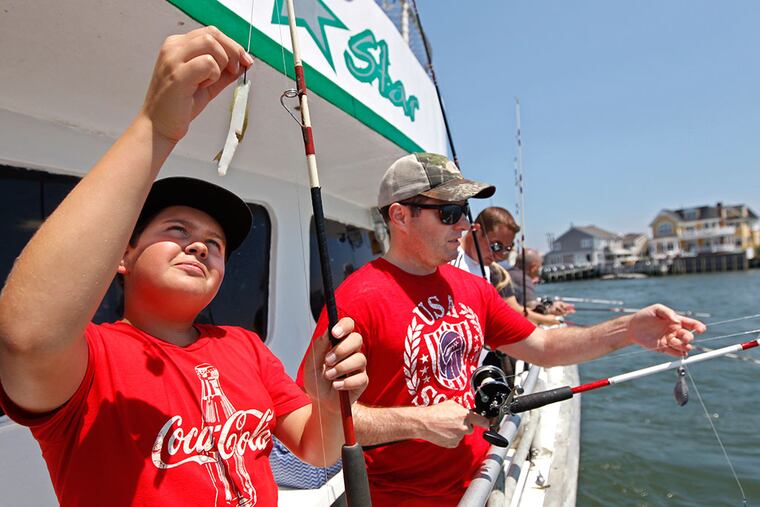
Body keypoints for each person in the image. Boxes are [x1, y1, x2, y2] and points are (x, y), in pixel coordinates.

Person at [0, 27, 367, 507]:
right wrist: (156, 126)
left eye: (214, 243)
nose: (199, 247)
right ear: (122, 257)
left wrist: (327, 395)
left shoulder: (247, 348)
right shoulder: (91, 358)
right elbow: (26, 339)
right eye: (176, 230)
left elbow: (314, 446)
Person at [298, 152, 704, 506]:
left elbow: (542, 345)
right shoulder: (356, 300)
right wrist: (418, 422)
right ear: (400, 216)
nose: (463, 226)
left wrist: (628, 329)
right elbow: (320, 419)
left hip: (480, 480)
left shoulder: (473, 287)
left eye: (465, 212)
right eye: (449, 213)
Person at [455, 207, 563, 326]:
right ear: (476, 230)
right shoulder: (448, 256)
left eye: (507, 248)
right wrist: (547, 320)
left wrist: (546, 310)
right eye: (496, 246)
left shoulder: (491, 269)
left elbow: (505, 312)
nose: (501, 256)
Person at [509, 248, 574, 316]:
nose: (539, 272)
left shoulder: (507, 274)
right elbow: (532, 307)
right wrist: (552, 309)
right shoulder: (523, 279)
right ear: (533, 267)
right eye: (539, 267)